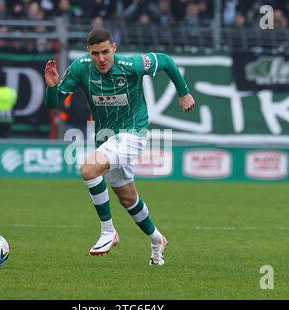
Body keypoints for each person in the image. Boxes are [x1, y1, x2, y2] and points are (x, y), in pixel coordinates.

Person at [44, 27, 195, 266]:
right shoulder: (80, 68)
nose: (101, 59)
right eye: (95, 54)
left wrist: (183, 92)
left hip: (133, 133)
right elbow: (53, 104)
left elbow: (165, 61)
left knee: (89, 168)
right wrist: (52, 87)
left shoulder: (131, 65)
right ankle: (157, 241)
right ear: (88, 52)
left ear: (114, 48)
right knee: (128, 199)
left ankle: (108, 231)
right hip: (106, 138)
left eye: (105, 52)